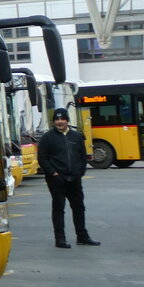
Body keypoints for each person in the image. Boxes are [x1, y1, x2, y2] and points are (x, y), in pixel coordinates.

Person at [36, 107, 99, 249]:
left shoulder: (76, 136)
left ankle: (82, 236)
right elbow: (42, 158)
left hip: (74, 178)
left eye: (62, 119)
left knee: (79, 207)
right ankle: (60, 239)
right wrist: (53, 173)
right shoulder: (48, 138)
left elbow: (83, 156)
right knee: (59, 208)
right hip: (57, 179)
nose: (60, 122)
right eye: (57, 119)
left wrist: (80, 172)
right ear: (53, 122)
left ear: (67, 120)